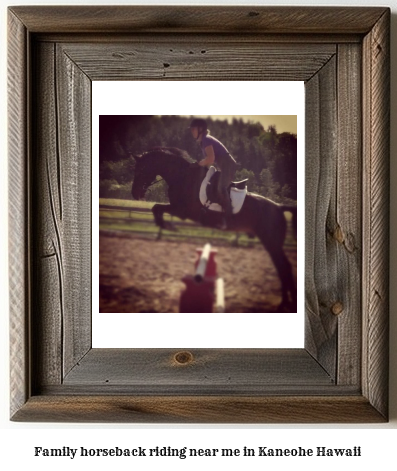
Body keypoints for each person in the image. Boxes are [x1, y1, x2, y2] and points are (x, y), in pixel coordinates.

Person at [189, 118, 238, 228]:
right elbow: (210, 161)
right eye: (191, 129)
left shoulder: (206, 140)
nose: (192, 131)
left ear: (200, 129)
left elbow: (210, 159)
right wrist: (199, 164)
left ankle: (229, 218)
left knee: (221, 188)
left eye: (193, 129)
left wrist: (199, 164)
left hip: (228, 166)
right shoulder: (204, 141)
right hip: (224, 166)